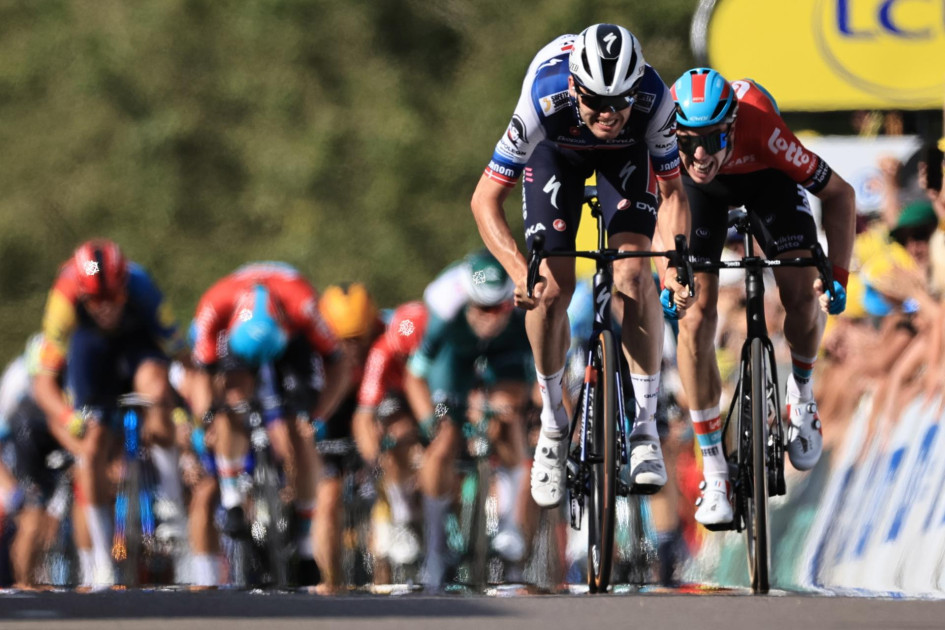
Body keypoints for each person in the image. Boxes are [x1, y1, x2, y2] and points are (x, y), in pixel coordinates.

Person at [469, 23, 694, 510]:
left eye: (620, 101)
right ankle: (552, 423)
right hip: (557, 155)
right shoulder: (543, 96)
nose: (609, 114)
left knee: (635, 273)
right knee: (549, 289)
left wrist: (675, 262)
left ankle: (644, 428)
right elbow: (485, 199)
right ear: (575, 87)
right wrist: (516, 270)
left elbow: (675, 193)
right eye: (596, 101)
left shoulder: (655, 102)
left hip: (626, 161)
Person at [669, 67, 855, 527]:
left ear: (731, 128)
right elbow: (664, 205)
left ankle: (802, 396)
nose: (698, 152)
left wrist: (839, 275)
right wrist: (669, 274)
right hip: (699, 197)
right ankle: (714, 468)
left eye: (711, 140)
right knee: (694, 314)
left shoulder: (761, 127)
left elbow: (841, 194)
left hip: (767, 177)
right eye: (686, 140)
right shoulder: (670, 144)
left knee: (801, 289)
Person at [32, 239, 190, 588]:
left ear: (124, 288)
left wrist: (184, 413)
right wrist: (71, 419)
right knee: (91, 447)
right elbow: (43, 383)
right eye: (95, 302)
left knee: (158, 388)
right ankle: (102, 560)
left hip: (138, 347)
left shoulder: (142, 286)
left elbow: (183, 356)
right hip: (91, 352)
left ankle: (171, 502)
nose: (105, 309)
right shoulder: (64, 299)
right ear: (81, 295)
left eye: (113, 299)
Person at [188, 262, 351, 587]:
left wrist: (319, 414)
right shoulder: (214, 306)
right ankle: (232, 495)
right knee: (229, 404)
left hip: (291, 346)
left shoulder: (303, 306)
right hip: (240, 342)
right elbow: (202, 377)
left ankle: (305, 545)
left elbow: (340, 365)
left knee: (300, 427)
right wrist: (205, 419)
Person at [405, 250, 535, 590]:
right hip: (455, 358)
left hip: (505, 355)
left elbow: (535, 380)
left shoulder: (521, 311)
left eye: (499, 308)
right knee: (445, 438)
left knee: (508, 412)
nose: (491, 318)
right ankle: (434, 549)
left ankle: (509, 525)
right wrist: (429, 423)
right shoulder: (444, 311)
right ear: (467, 303)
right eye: (483, 309)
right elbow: (414, 377)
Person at [313, 282, 385, 593]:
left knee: (386, 485)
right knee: (328, 497)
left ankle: (386, 575)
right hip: (330, 417)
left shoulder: (388, 332)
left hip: (373, 412)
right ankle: (330, 580)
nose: (351, 350)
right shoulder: (311, 347)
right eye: (342, 341)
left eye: (358, 340)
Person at [350, 300, 428, 580]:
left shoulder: (440, 345)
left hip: (434, 397)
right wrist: (374, 460)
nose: (406, 362)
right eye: (402, 357)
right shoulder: (383, 351)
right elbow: (363, 415)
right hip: (397, 400)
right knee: (396, 431)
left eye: (411, 357)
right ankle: (402, 513)